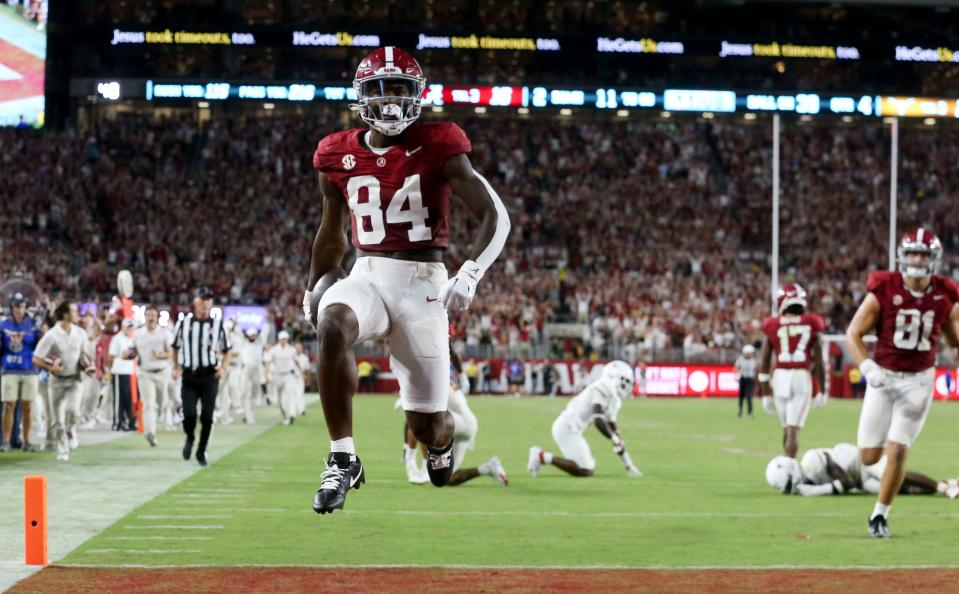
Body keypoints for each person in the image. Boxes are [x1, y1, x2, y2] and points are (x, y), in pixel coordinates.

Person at [303, 46, 510, 514]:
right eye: (380, 89)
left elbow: (495, 217)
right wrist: (314, 283)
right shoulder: (335, 153)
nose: (390, 100)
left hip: (424, 286)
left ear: (417, 95)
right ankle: (342, 458)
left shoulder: (440, 143)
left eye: (399, 88)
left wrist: (471, 272)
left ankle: (443, 441)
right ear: (362, 96)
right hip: (368, 273)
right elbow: (331, 232)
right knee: (332, 322)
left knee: (426, 426)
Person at [845, 228, 959, 538]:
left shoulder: (945, 293)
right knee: (869, 457)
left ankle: (879, 515)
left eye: (923, 254)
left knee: (897, 450)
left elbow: (955, 339)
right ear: (902, 256)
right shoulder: (883, 287)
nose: (917, 259)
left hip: (918, 382)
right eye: (912, 253)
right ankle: (907, 480)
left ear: (933, 259)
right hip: (883, 379)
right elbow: (853, 333)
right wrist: (867, 365)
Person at [527, 361, 641, 478]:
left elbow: (614, 431)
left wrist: (629, 464)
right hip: (567, 427)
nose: (626, 386)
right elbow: (598, 421)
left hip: (573, 429)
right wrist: (613, 437)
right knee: (585, 469)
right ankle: (540, 456)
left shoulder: (614, 400)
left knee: (586, 468)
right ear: (613, 377)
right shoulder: (600, 388)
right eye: (624, 381)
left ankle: (541, 456)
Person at [756, 283, 827, 458]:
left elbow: (764, 362)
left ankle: (786, 468)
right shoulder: (811, 322)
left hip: (779, 377)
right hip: (801, 377)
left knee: (787, 429)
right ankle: (790, 471)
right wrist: (822, 390)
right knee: (793, 430)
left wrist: (765, 393)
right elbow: (819, 362)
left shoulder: (773, 324)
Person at [171, 288, 233, 467]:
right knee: (189, 414)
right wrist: (175, 367)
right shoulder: (184, 323)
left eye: (208, 301)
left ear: (211, 304)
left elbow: (227, 350)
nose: (205, 304)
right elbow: (175, 346)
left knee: (207, 416)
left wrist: (223, 367)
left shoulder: (218, 325)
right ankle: (190, 437)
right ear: (195, 302)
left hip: (209, 375)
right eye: (202, 300)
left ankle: (201, 450)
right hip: (189, 374)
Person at [766, 444, 959, 498]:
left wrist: (816, 491)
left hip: (861, 462)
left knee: (892, 475)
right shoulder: (807, 477)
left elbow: (846, 482)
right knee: (896, 489)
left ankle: (943, 488)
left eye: (791, 483)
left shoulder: (810, 462)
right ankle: (950, 482)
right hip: (861, 481)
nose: (796, 487)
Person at [32, 301, 96, 461]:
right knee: (57, 420)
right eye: (74, 311)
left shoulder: (80, 333)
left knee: (73, 412)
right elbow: (37, 358)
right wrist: (50, 368)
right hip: (56, 381)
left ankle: (71, 430)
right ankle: (62, 450)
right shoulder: (52, 335)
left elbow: (86, 354)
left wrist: (89, 366)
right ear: (65, 314)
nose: (77, 314)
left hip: (75, 379)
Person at [1, 292, 41, 452]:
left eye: (23, 305)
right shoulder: (3, 326)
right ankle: (5, 441)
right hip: (9, 369)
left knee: (28, 406)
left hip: (29, 369)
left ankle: (27, 440)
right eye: (17, 306)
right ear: (12, 307)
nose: (20, 309)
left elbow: (39, 346)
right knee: (8, 405)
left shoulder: (33, 325)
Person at [133, 305, 172, 446]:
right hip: (145, 372)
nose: (151, 318)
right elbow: (133, 350)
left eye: (153, 315)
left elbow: (171, 353)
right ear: (145, 317)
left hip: (161, 372)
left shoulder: (164, 333)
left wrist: (161, 355)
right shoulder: (138, 334)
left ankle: (161, 415)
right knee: (148, 404)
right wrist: (128, 354)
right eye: (148, 315)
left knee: (161, 403)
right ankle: (150, 433)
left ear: (157, 318)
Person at [107, 319, 138, 432]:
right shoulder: (117, 339)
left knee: (130, 399)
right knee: (119, 399)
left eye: (132, 327)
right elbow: (111, 357)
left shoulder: (134, 339)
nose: (130, 329)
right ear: (123, 327)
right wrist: (110, 371)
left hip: (131, 373)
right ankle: (117, 423)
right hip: (119, 372)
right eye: (128, 327)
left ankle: (130, 422)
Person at [265, 330, 299, 425]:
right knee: (279, 399)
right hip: (278, 376)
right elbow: (268, 363)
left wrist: (300, 372)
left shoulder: (291, 349)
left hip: (288, 375)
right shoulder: (274, 350)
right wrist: (266, 376)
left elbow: (296, 361)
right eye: (282, 339)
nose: (284, 341)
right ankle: (285, 415)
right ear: (279, 340)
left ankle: (290, 414)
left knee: (289, 395)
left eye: (285, 339)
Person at [237, 327, 266, 424]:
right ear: (248, 336)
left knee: (255, 392)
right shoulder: (243, 344)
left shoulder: (259, 344)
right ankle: (247, 415)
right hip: (246, 370)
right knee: (244, 392)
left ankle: (249, 411)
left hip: (256, 370)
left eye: (254, 335)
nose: (253, 337)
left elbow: (263, 334)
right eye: (251, 335)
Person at [734, 344, 757, 418]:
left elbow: (756, 370)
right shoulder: (740, 359)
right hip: (743, 379)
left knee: (749, 396)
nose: (751, 354)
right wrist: (736, 376)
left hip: (750, 380)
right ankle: (740, 411)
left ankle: (749, 413)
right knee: (741, 396)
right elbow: (736, 368)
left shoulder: (754, 360)